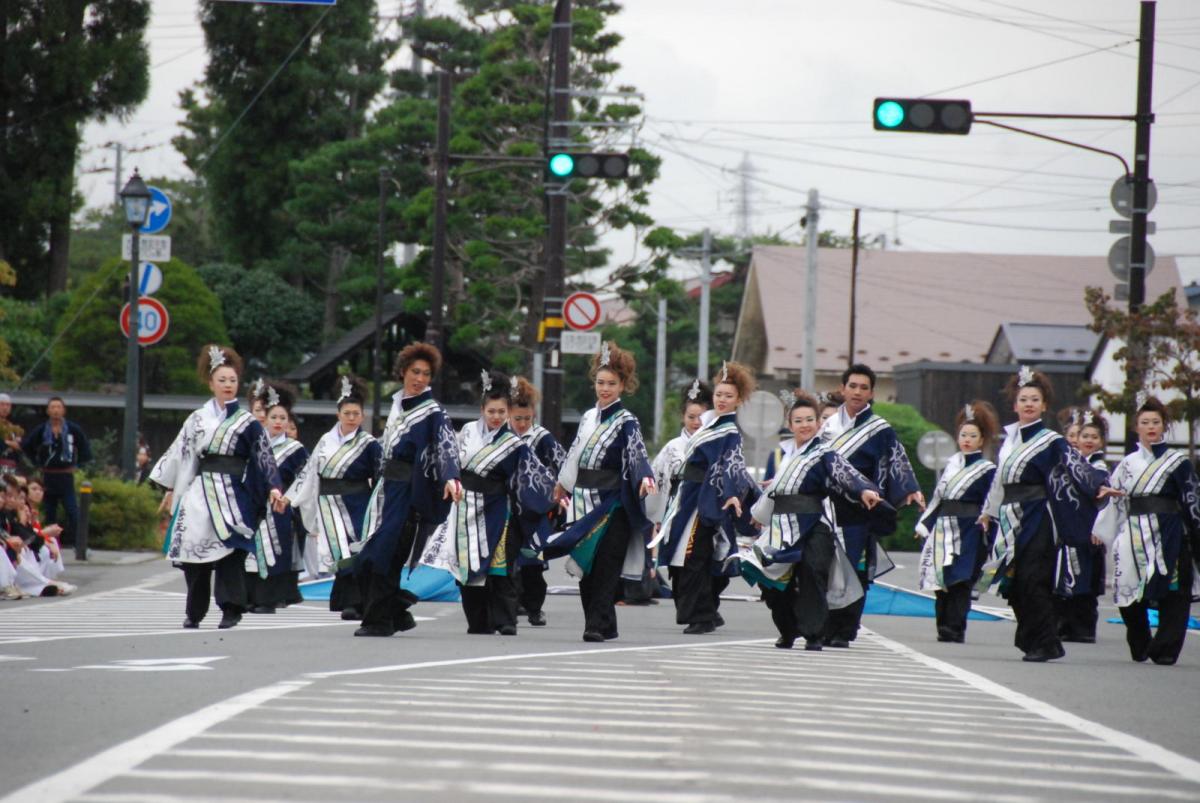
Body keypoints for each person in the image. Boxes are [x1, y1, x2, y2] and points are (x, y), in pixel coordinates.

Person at [977, 367, 1117, 662]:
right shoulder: (1009, 441)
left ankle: (1044, 641)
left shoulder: (1051, 440)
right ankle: (1038, 638)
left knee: (1033, 578)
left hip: (1038, 515)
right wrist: (988, 512)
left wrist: (1098, 485)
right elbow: (999, 482)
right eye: (1023, 399)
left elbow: (1076, 466)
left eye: (1034, 399)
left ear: (1044, 405)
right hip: (1009, 517)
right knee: (1012, 583)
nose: (1028, 404)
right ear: (1015, 405)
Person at [150, 345, 283, 630]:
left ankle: (231, 609)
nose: (227, 385)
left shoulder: (247, 422)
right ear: (211, 383)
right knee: (195, 553)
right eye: (222, 380)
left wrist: (273, 486)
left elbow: (263, 455)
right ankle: (194, 611)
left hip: (233, 494)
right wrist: (172, 488)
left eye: (232, 380)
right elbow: (181, 454)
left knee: (230, 553)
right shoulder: (196, 419)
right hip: (199, 492)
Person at [533, 341, 655, 643]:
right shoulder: (588, 417)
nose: (605, 389)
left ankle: (597, 624)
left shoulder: (627, 422)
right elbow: (575, 453)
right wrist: (562, 483)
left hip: (613, 502)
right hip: (583, 500)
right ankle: (603, 623)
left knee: (605, 564)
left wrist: (644, 478)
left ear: (623, 385)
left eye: (611, 383)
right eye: (600, 382)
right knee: (586, 564)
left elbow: (637, 454)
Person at [743, 393, 880, 650]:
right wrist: (757, 515)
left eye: (809, 419)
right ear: (790, 424)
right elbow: (775, 492)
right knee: (770, 578)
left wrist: (863, 490)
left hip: (814, 523)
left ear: (818, 423)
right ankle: (788, 628)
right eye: (798, 420)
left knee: (813, 573)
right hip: (781, 525)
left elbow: (843, 472)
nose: (804, 425)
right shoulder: (786, 455)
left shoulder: (824, 452)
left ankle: (813, 633)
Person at [425, 371, 556, 635]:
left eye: (501, 412)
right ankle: (479, 619)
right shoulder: (467, 433)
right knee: (467, 566)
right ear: (482, 409)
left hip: (498, 509)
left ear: (508, 411)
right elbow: (448, 461)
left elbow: (532, 477)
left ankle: (506, 620)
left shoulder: (514, 444)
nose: (496, 417)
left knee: (501, 566)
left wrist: (554, 496)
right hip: (465, 508)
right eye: (491, 411)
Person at [348, 343, 461, 637]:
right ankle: (396, 611)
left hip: (409, 492)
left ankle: (380, 621)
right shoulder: (398, 405)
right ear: (402, 372)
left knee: (385, 553)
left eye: (425, 373)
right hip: (386, 490)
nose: (420, 378)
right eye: (415, 371)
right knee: (369, 556)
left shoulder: (432, 411)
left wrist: (450, 477)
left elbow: (445, 446)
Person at [818, 364, 924, 648]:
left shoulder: (879, 429)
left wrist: (910, 489)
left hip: (860, 508)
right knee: (825, 567)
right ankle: (824, 625)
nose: (857, 392)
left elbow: (897, 459)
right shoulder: (828, 426)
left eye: (864, 388)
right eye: (852, 386)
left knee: (853, 568)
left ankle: (844, 629)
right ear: (843, 389)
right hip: (827, 507)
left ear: (871, 393)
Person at [1095, 396, 1200, 666]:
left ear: (1164, 425)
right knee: (1127, 588)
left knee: (1174, 592)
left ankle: (1165, 648)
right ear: (1136, 427)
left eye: (1156, 422)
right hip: (1133, 531)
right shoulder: (1128, 463)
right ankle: (1139, 640)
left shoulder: (1178, 462)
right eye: (1145, 422)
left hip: (1169, 531)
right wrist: (1102, 529)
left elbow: (1191, 500)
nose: (1151, 426)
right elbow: (1115, 500)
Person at [656, 361, 758, 635]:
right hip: (689, 497)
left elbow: (733, 466)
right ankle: (706, 613)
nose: (722, 400)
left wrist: (734, 494)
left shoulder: (729, 431)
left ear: (738, 400)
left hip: (706, 498)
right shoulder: (711, 424)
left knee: (694, 557)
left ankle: (702, 615)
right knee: (685, 557)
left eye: (729, 396)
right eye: (719, 394)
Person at [279, 376, 381, 620]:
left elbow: (379, 478)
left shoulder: (369, 444)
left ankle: (356, 602)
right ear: (338, 414)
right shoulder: (326, 440)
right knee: (337, 552)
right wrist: (292, 497)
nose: (351, 417)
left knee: (354, 550)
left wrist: (379, 507)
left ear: (362, 415)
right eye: (347, 412)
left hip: (357, 501)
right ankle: (345, 601)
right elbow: (310, 473)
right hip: (328, 502)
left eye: (356, 413)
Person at [916, 401, 999, 643]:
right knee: (942, 578)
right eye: (963, 434)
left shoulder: (987, 469)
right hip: (944, 526)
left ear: (981, 440)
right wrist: (926, 524)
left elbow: (991, 502)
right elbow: (937, 499)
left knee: (961, 579)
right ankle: (943, 626)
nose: (967, 439)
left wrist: (989, 526)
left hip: (969, 527)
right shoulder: (952, 465)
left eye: (973, 435)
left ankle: (956, 626)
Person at [641, 380, 712, 608]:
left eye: (701, 417)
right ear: (683, 416)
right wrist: (657, 516)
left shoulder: (715, 443)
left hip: (703, 508)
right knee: (677, 562)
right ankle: (691, 609)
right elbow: (658, 480)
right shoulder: (672, 447)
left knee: (698, 561)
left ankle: (702, 610)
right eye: (691, 416)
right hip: (677, 508)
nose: (696, 422)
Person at [507, 376, 567, 626]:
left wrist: (557, 494)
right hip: (507, 508)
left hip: (535, 510)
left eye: (527, 419)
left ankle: (534, 607)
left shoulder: (543, 438)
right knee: (507, 559)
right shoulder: (500, 436)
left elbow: (564, 466)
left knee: (532, 560)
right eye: (517, 418)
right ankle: (510, 605)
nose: (522, 424)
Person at [245, 382, 309, 614]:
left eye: (283, 417)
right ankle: (249, 597)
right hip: (254, 507)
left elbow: (306, 478)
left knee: (275, 551)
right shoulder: (254, 445)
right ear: (266, 419)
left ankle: (269, 599)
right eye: (274, 417)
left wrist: (290, 499)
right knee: (251, 551)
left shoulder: (296, 449)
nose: (278, 421)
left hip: (280, 508)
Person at [1054, 409, 1110, 644]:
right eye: (1084, 436)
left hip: (1090, 529)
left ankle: (1084, 627)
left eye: (1093, 437)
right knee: (1066, 576)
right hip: (1070, 527)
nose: (1088, 440)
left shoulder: (1100, 467)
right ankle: (1064, 624)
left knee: (1086, 580)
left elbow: (1106, 500)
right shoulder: (1072, 463)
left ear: (1101, 442)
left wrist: (1100, 528)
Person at [18, 397, 91, 547]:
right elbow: (27, 446)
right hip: (48, 475)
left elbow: (85, 450)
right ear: (48, 411)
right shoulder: (42, 430)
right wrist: (37, 463)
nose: (56, 410)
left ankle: (76, 543)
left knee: (72, 511)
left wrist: (77, 465)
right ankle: (52, 542)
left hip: (65, 475)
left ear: (63, 410)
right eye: (53, 407)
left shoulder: (72, 429)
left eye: (59, 407)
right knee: (50, 511)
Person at [0, 393, 26, 476]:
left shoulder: (12, 427)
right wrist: (8, 443)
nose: (5, 407)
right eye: (2, 404)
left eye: (8, 405)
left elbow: (19, 445)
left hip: (11, 466)